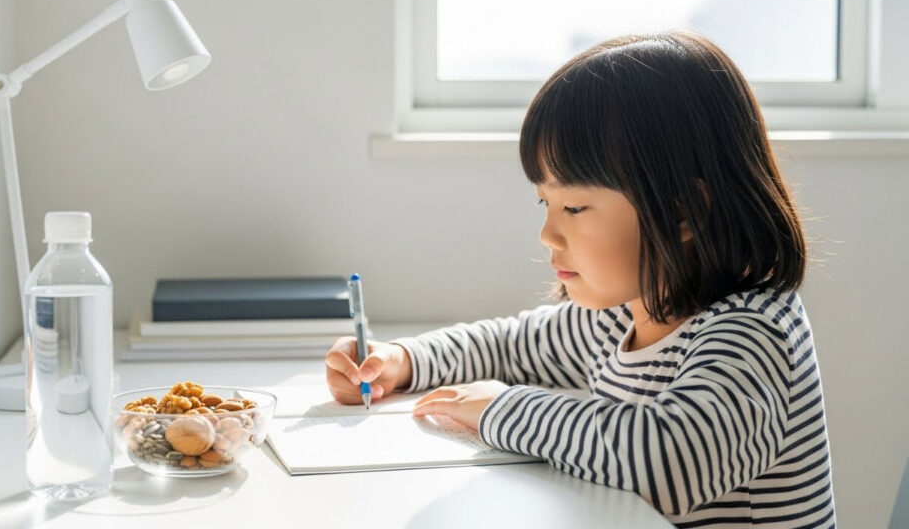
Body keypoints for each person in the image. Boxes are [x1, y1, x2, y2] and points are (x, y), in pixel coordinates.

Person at [325, 32, 835, 528]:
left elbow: (669, 464)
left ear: (684, 213)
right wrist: (402, 361)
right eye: (545, 203)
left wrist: (505, 408)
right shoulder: (623, 314)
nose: (547, 233)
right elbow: (511, 345)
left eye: (574, 206)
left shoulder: (754, 333)